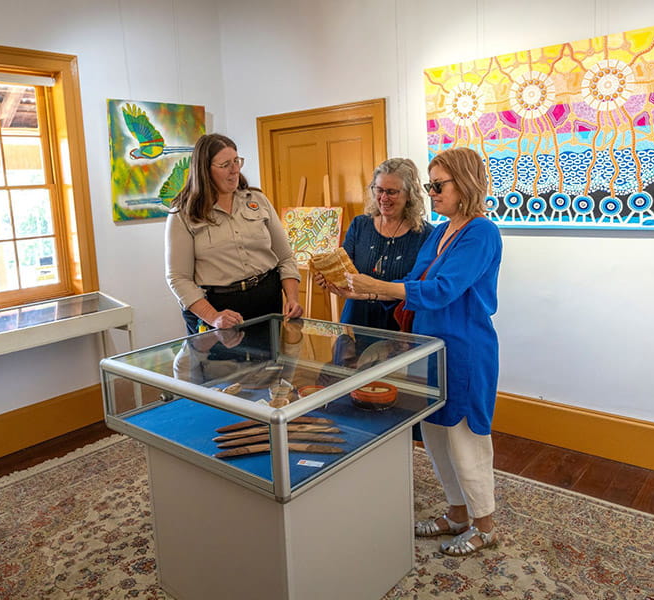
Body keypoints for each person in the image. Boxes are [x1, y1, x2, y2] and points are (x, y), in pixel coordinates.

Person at [346, 146, 502, 557]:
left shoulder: (482, 232)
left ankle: (484, 524)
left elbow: (442, 289)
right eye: (430, 185)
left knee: (464, 437)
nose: (431, 192)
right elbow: (413, 286)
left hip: (464, 349)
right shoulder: (440, 230)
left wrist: (376, 285)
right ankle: (456, 515)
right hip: (428, 347)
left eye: (438, 185)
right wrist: (365, 289)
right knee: (434, 434)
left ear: (465, 183)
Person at [165, 133, 303, 335]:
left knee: (271, 366)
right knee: (224, 366)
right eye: (225, 165)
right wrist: (213, 317)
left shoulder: (257, 199)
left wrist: (292, 298)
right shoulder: (183, 214)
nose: (235, 170)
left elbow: (285, 257)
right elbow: (178, 278)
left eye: (237, 161)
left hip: (266, 301)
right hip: (218, 309)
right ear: (204, 170)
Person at [315, 158, 434, 331]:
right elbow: (345, 273)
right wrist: (329, 278)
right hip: (355, 323)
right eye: (379, 190)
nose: (384, 198)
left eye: (392, 192)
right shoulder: (360, 225)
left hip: (400, 328)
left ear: (409, 194)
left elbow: (419, 288)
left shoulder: (425, 235)